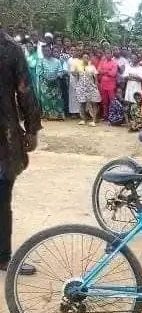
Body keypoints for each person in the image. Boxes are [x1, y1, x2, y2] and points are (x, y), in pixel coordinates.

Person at [0, 28, 42, 275]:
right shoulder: (9, 49)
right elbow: (25, 91)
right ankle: (3, 257)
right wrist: (32, 129)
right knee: (2, 199)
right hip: (4, 139)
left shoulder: (10, 49)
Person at [37, 45, 65, 120]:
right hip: (45, 83)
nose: (47, 52)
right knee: (46, 99)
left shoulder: (57, 61)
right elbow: (39, 72)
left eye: (48, 50)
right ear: (43, 52)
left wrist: (56, 76)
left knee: (57, 99)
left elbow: (61, 71)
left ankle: (58, 116)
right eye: (45, 50)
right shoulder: (41, 61)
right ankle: (47, 116)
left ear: (51, 51)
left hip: (55, 82)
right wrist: (46, 77)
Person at [74, 52, 101, 126]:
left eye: (87, 57)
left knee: (94, 102)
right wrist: (77, 86)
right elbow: (76, 77)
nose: (85, 59)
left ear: (89, 58)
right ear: (82, 58)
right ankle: (83, 119)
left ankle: (94, 119)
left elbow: (95, 78)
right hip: (81, 87)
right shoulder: (78, 67)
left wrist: (96, 86)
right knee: (82, 103)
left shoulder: (92, 67)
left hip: (91, 87)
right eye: (84, 57)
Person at [98, 48, 118, 120]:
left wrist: (104, 71)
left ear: (112, 54)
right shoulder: (102, 61)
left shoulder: (114, 62)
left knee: (112, 101)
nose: (107, 55)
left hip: (111, 85)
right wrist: (108, 71)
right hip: (103, 84)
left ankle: (113, 115)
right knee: (104, 101)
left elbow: (113, 73)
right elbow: (99, 70)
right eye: (106, 53)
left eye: (109, 53)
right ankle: (105, 115)